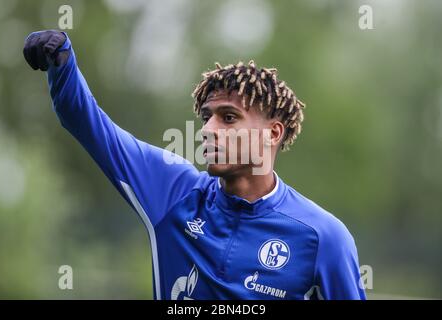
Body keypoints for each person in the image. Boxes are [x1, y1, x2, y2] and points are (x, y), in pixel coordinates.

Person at [23, 30, 366, 300]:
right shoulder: (173, 191)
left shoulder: (324, 237)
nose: (208, 130)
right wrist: (63, 63)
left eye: (228, 118)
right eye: (206, 117)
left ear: (272, 133)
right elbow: (88, 123)